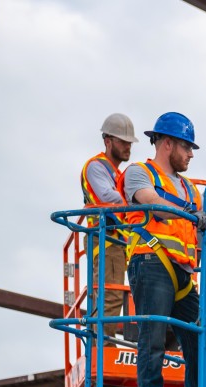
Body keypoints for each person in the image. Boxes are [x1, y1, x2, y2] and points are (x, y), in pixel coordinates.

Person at [119, 112, 206, 387]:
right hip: (151, 263)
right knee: (153, 337)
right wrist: (193, 215)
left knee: (200, 339)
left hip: (182, 274)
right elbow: (153, 204)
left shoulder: (189, 188)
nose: (191, 155)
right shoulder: (139, 173)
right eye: (187, 147)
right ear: (167, 144)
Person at [81, 113, 138, 339]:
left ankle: (101, 343)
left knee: (109, 294)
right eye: (123, 142)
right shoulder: (96, 167)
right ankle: (102, 348)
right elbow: (108, 197)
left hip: (115, 240)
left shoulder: (116, 173)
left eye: (129, 143)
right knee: (110, 295)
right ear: (108, 141)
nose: (127, 147)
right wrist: (137, 203)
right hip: (105, 240)